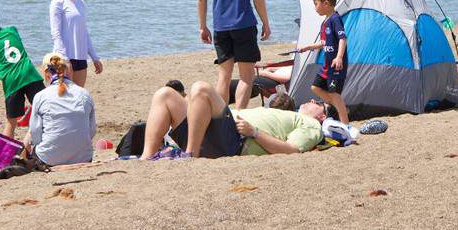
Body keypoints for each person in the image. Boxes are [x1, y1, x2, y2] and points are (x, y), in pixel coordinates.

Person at [138, 80, 324, 159]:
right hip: (210, 129)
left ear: (322, 115)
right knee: (165, 95)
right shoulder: (286, 114)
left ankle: (190, 155)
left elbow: (292, 151)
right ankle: (147, 157)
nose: (313, 100)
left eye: (321, 104)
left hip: (233, 139)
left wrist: (255, 132)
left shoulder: (311, 124)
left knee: (201, 88)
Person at [0, 5, 45, 141]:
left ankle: (7, 155)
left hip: (12, 83)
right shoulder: (13, 30)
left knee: (11, 122)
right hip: (30, 75)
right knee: (45, 111)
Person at [28, 53, 96, 167]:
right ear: (68, 71)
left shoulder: (41, 96)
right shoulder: (84, 94)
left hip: (49, 159)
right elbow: (91, 130)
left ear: (46, 73)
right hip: (83, 157)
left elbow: (35, 133)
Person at [298, 0, 350, 125]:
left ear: (326, 3)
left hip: (336, 66)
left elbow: (342, 38)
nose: (315, 7)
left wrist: (339, 57)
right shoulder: (325, 22)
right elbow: (323, 42)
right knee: (315, 87)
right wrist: (309, 46)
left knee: (335, 95)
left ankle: (345, 123)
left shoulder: (335, 19)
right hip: (326, 66)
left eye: (316, 4)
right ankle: (332, 105)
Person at [50, 0, 102, 87]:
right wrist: (64, 58)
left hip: (81, 58)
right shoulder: (57, 2)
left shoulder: (81, 3)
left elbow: (84, 33)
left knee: (77, 98)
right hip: (63, 59)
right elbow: (56, 34)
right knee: (62, 98)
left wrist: (94, 57)